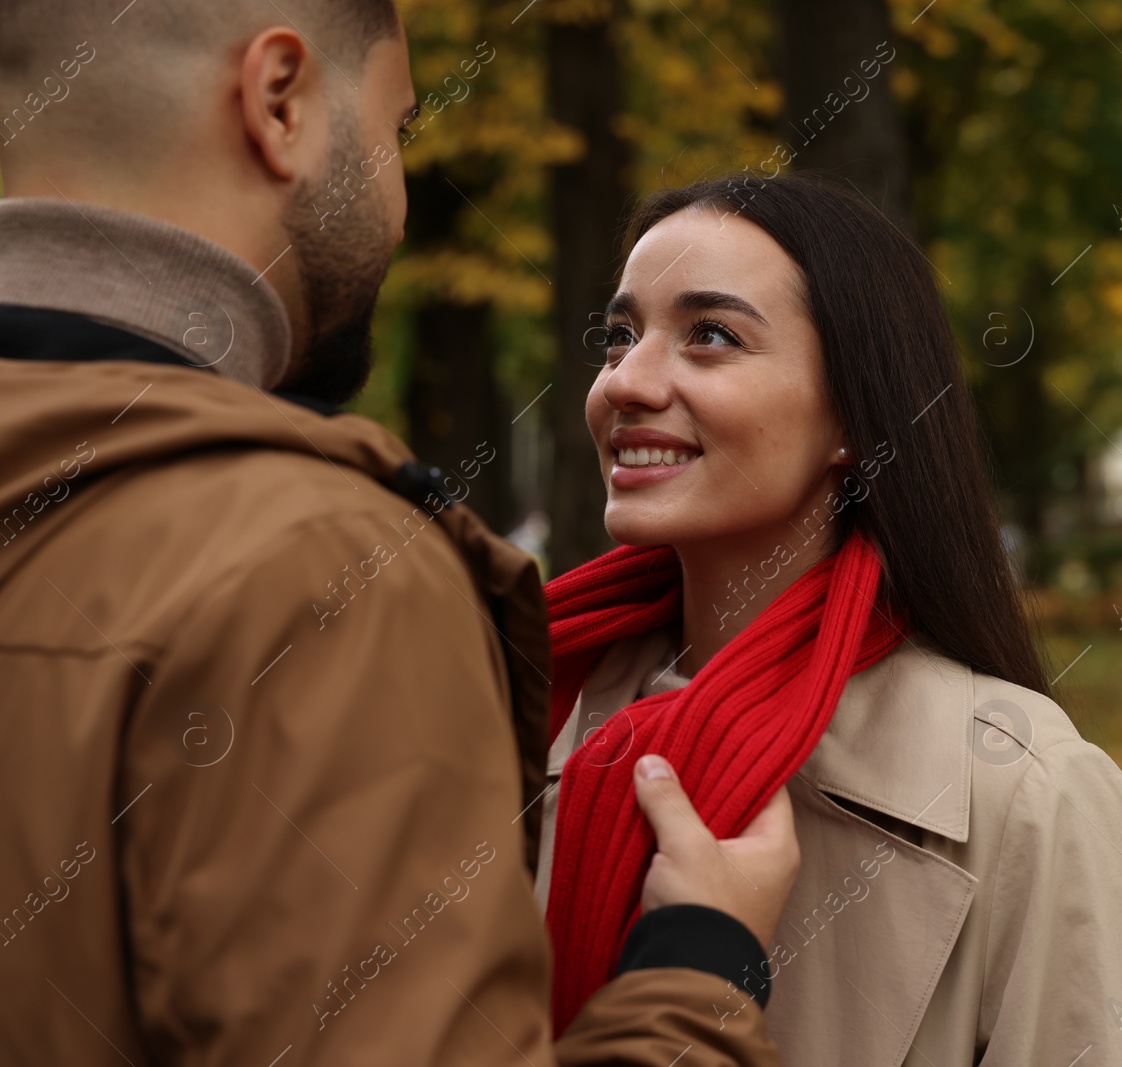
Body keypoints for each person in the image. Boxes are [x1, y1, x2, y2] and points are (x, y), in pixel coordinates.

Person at [0, 3, 800, 1064]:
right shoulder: (317, 570)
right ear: (278, 100)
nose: (400, 199)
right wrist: (698, 970)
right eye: (396, 132)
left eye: (710, 334)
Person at [535, 173, 1122, 1064]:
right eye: (620, 336)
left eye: (711, 336)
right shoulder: (526, 718)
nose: (627, 381)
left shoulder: (1027, 793)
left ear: (852, 414)